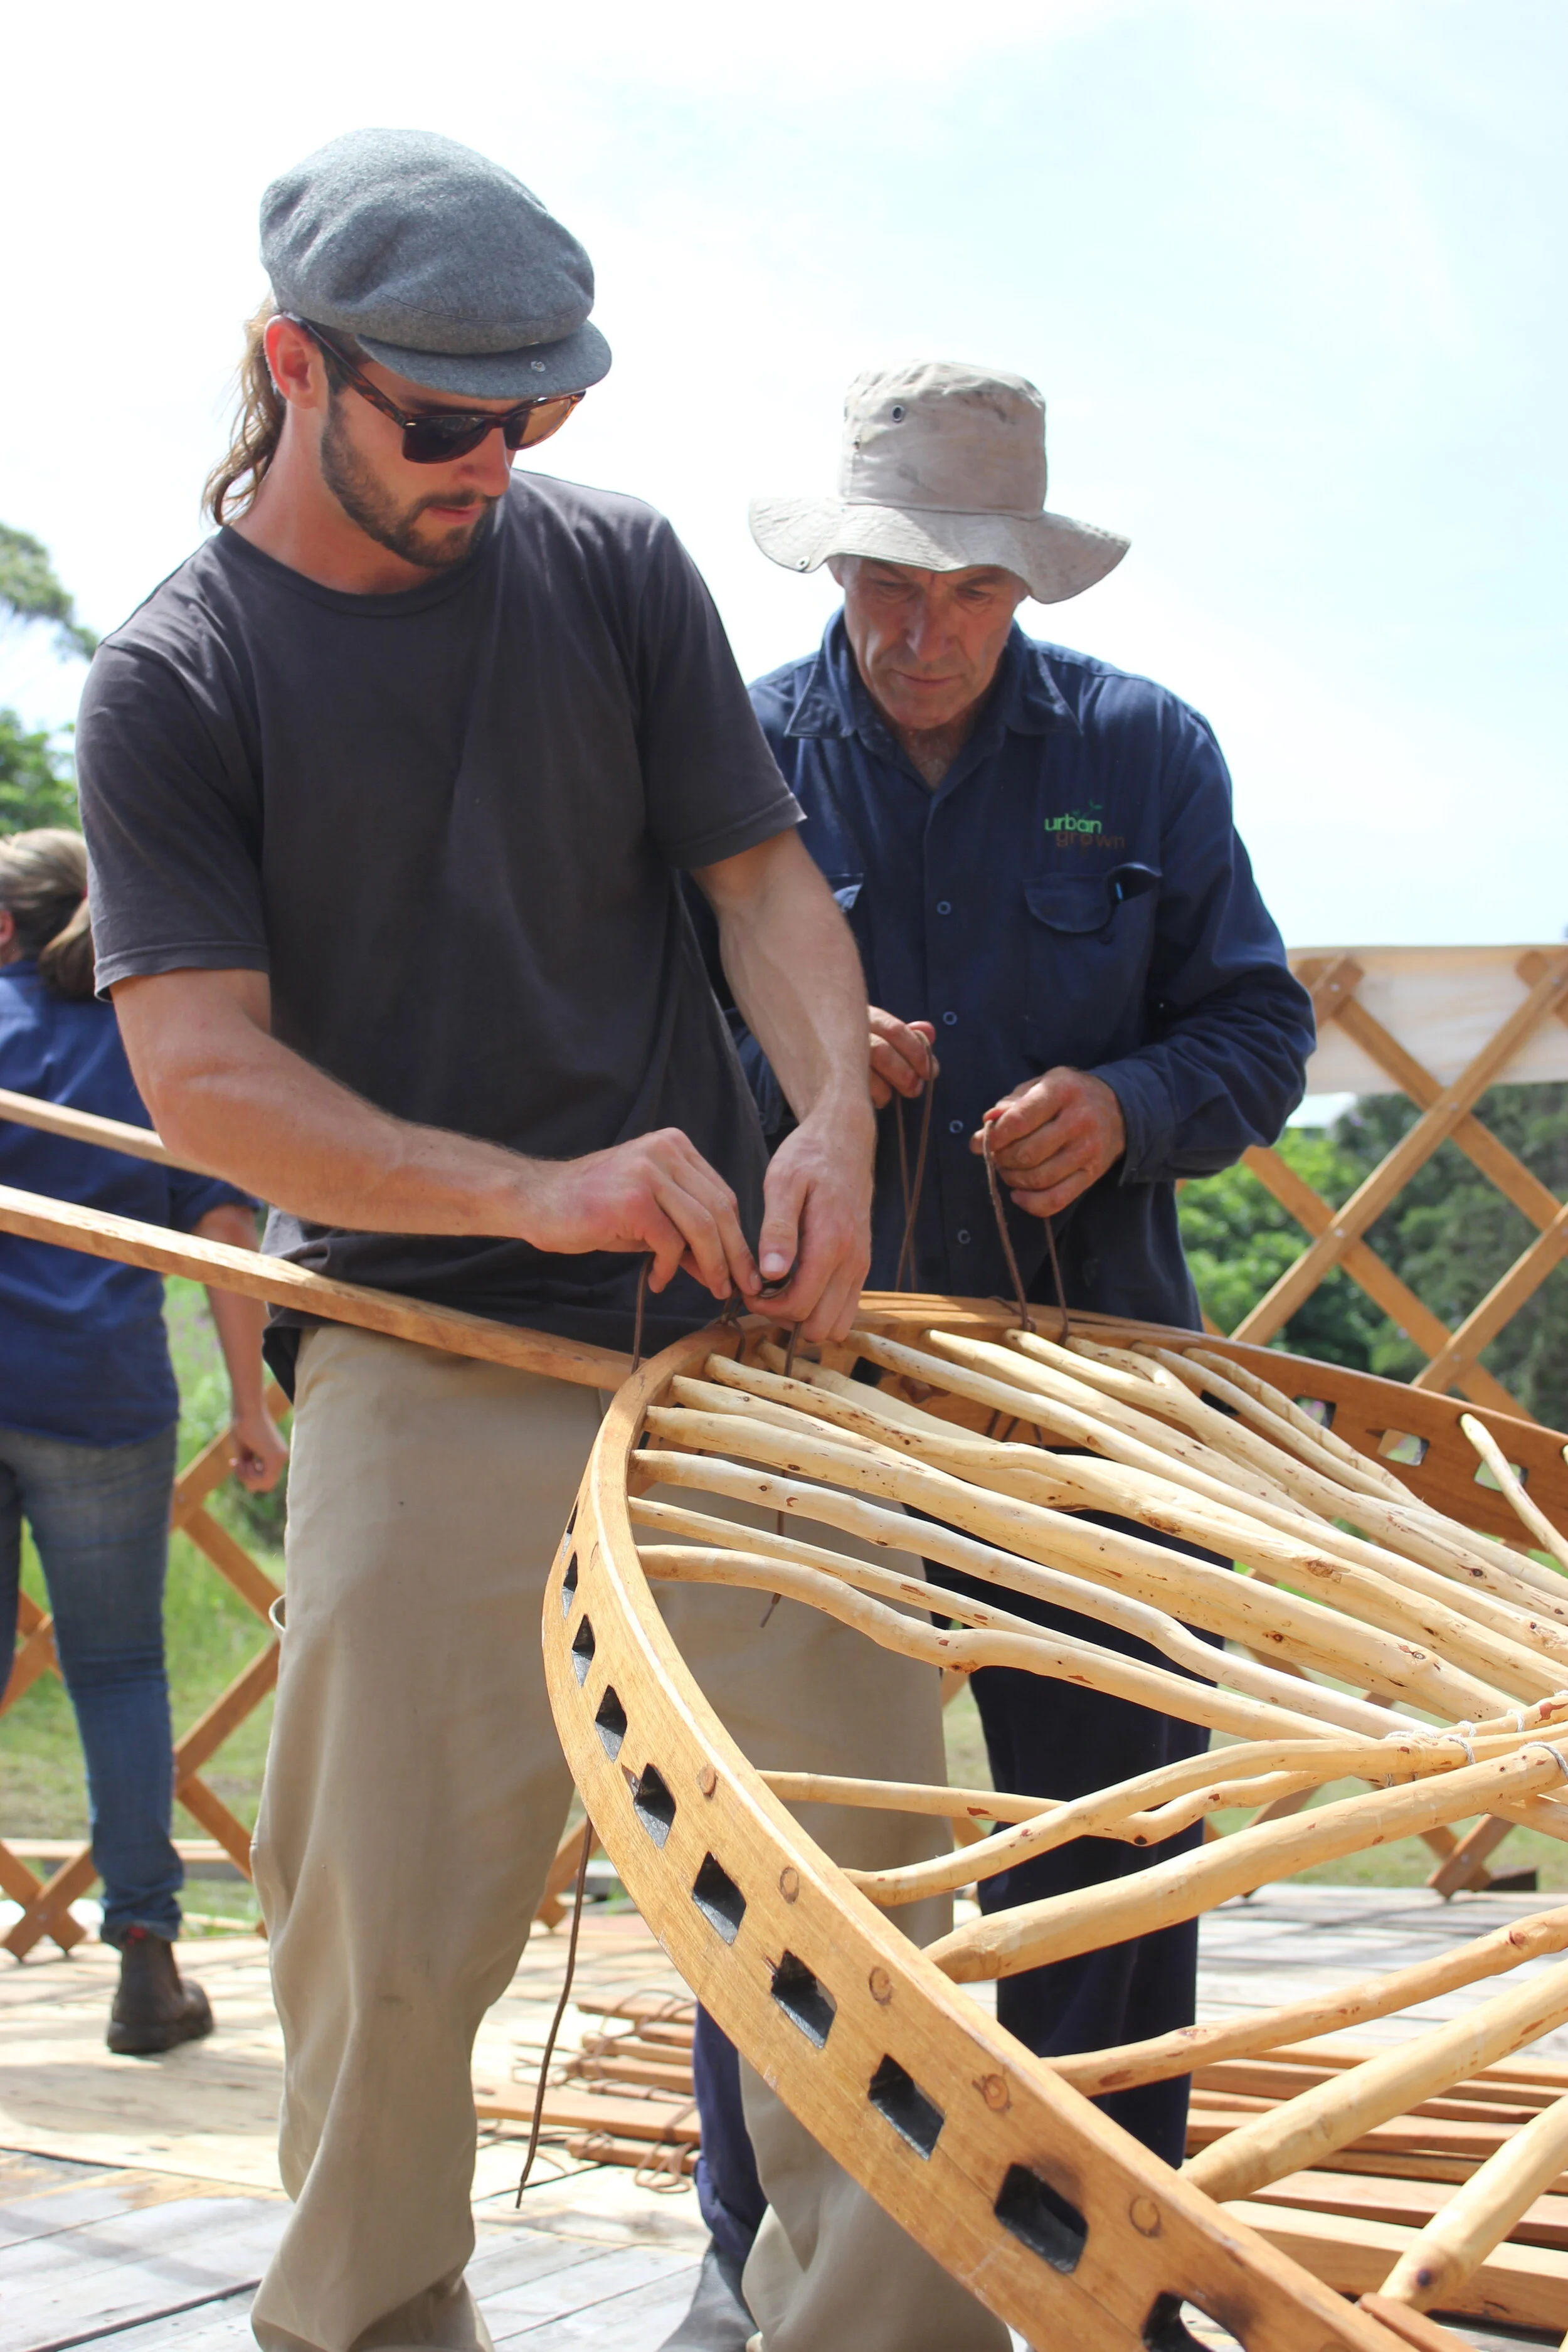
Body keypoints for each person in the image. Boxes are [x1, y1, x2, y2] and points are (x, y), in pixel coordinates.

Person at [77, 132, 999, 2352]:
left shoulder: (607, 571)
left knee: (871, 1898)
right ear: (293, 368)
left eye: (542, 413)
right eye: (448, 419)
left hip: (723, 1341)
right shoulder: (177, 682)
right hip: (419, 1334)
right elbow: (206, 1079)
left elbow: (771, 896)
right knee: (379, 1936)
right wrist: (527, 1188)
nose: (501, 460)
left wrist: (823, 1139)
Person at [672, 361, 1315, 2345]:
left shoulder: (1144, 753)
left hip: (1090, 1384)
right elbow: (625, 1049)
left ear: (1026, 581)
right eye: (885, 576)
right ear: (842, 562)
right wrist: (786, 1063)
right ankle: (758, 2259)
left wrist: (1125, 1101)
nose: (917, 626)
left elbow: (1258, 1033)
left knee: (1117, 1817)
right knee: (776, 1835)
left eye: (962, 585)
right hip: (807, 1380)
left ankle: (1095, 2248)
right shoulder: (733, 753)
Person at [0, 827, 287, 2052]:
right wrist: (252, 1401)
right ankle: (146, 1966)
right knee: (117, 1673)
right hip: (104, 1397)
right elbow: (225, 1223)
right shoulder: (149, 1038)